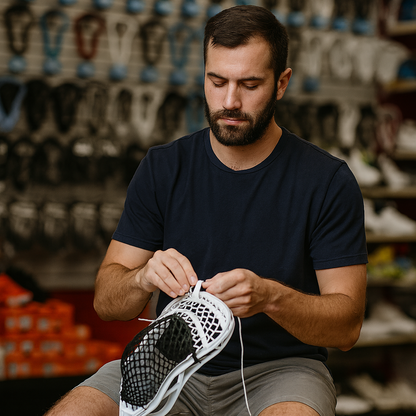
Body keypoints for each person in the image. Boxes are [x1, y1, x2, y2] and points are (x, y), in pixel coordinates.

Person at [45, 5, 367, 416]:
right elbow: (108, 303)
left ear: (281, 83)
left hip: (280, 371)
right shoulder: (163, 167)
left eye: (249, 85)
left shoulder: (327, 181)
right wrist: (143, 278)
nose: (229, 101)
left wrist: (271, 297)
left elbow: (347, 328)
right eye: (217, 82)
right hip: (165, 362)